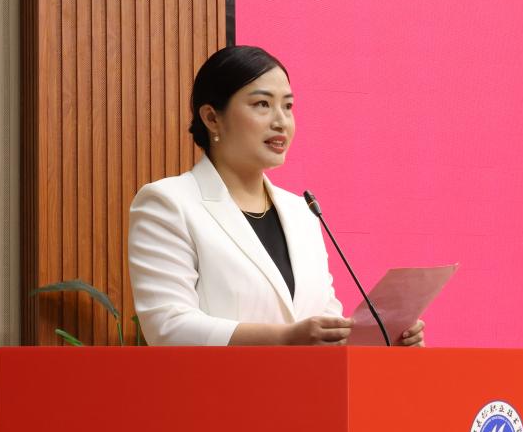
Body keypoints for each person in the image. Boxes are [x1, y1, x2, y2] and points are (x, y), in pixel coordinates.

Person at [127, 45, 426, 347]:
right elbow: (169, 327)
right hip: (220, 380)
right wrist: (285, 338)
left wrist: (383, 339)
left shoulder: (302, 211)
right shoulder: (168, 203)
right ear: (212, 118)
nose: (281, 121)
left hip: (307, 381)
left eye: (288, 106)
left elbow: (324, 323)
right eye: (262, 104)